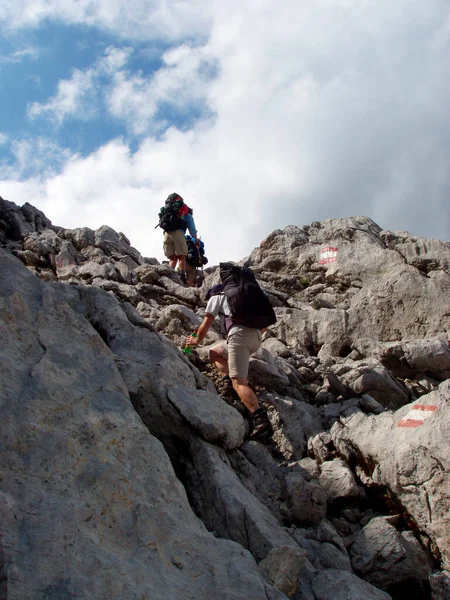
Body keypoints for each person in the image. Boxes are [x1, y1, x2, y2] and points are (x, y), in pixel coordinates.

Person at [185, 285, 273, 440]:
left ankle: (260, 420)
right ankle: (228, 383)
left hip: (238, 338)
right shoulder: (244, 298)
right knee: (215, 352)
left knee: (239, 382)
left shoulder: (216, 297)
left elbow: (206, 323)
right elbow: (265, 321)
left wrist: (195, 340)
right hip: (255, 337)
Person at [162, 194, 198, 284]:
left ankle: (169, 275)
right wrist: (196, 239)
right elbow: (192, 230)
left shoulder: (171, 212)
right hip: (178, 233)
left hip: (166, 234)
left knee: (172, 258)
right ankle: (182, 277)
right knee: (182, 256)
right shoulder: (187, 215)